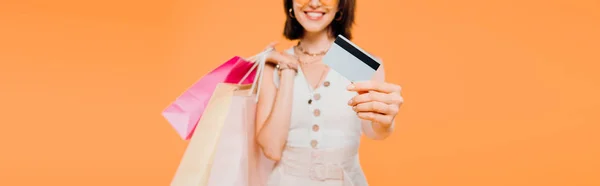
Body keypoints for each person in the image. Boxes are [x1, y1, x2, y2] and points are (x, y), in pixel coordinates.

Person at [255, 0, 404, 185]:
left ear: (341, 4)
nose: (315, 2)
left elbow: (375, 132)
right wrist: (287, 71)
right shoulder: (274, 62)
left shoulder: (355, 61)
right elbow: (271, 149)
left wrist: (386, 121)